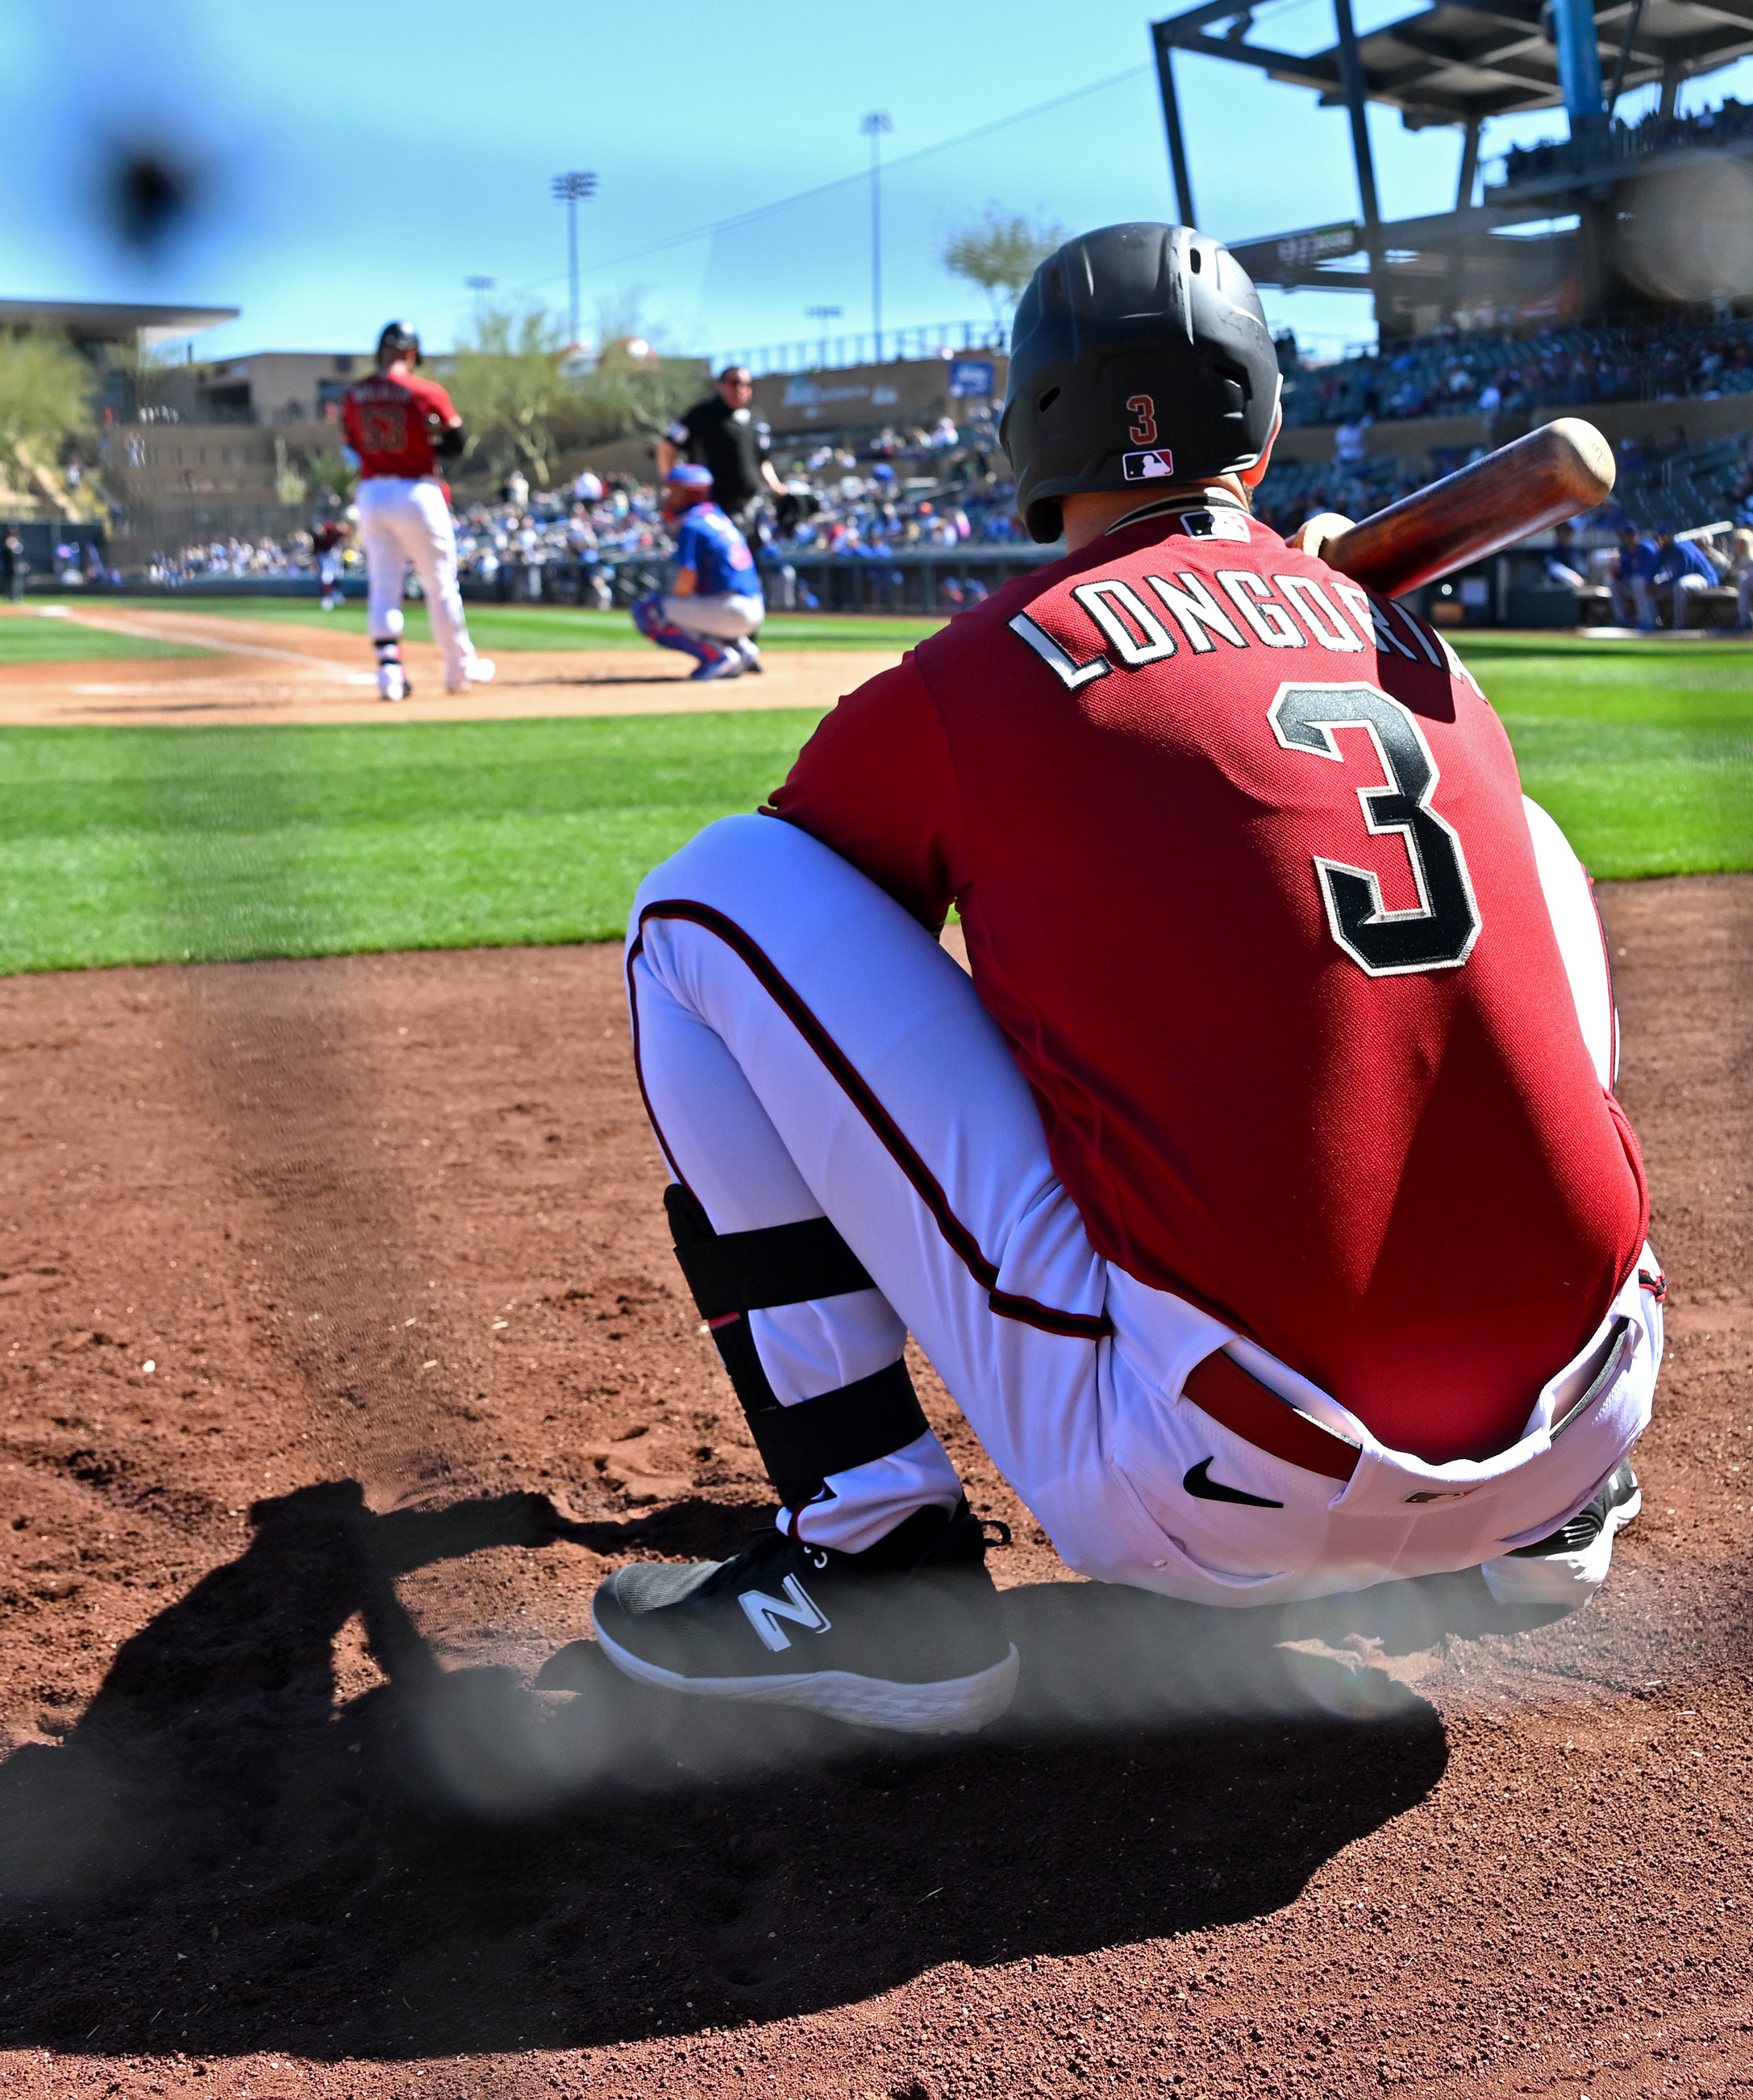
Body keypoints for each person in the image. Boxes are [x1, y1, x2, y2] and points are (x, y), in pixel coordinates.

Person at [591, 222, 1655, 1733]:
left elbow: (826, 910)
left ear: (1033, 429)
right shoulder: (1419, 655)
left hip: (1220, 1485)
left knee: (707, 904)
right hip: (1585, 1402)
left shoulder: (980, 669)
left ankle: (875, 1554)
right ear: (1266, 425)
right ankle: (1551, 1507)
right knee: (1524, 837)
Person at [334, 324, 493, 701]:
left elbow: (350, 448)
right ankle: (458, 669)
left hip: (371, 491)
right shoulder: (425, 391)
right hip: (417, 490)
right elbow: (457, 445)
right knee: (440, 585)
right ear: (410, 353)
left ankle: (389, 675)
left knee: (384, 586)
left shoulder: (355, 394)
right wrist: (427, 439)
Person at [631, 464, 765, 680]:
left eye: (675, 490)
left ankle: (718, 656)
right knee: (695, 601)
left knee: (649, 611)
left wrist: (674, 599)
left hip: (731, 609)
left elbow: (685, 582)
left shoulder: (692, 525)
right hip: (752, 606)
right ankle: (743, 650)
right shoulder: (718, 517)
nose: (668, 496)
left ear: (690, 493)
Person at [660, 363, 789, 539]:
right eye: (734, 383)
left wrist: (776, 488)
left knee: (747, 562)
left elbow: (762, 460)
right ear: (720, 386)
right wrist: (671, 484)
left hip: (751, 507)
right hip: (714, 508)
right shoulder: (703, 414)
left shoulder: (755, 418)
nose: (740, 388)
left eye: (746, 384)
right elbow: (667, 447)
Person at [306, 501, 354, 613]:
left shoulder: (330, 528)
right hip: (324, 555)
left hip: (335, 554)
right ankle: (327, 599)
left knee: (338, 574)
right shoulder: (317, 539)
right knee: (326, 576)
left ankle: (337, 595)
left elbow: (344, 534)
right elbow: (316, 551)